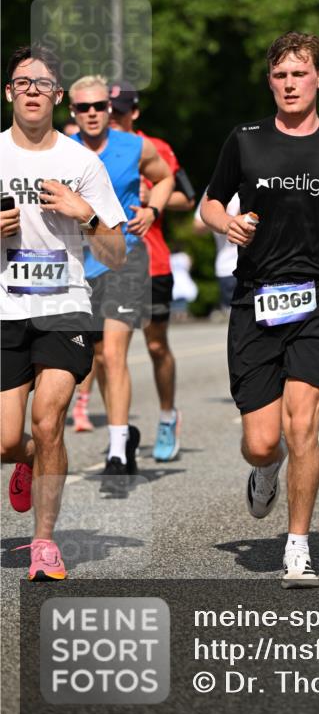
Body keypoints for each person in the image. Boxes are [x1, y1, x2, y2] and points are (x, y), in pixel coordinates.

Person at [201, 31, 319, 587]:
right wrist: (223, 221)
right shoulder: (246, 140)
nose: (289, 84)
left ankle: (298, 545)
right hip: (257, 299)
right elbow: (210, 201)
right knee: (261, 442)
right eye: (280, 75)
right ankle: (265, 471)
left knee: (302, 423)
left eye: (299, 74)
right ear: (270, 81)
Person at [1, 45, 125, 580]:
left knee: (48, 418)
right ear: (9, 92)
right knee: (9, 440)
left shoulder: (80, 162)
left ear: (57, 95)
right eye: (22, 81)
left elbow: (117, 252)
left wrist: (88, 214)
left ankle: (45, 544)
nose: (32, 90)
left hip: (66, 307)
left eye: (42, 83)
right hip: (6, 309)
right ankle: (29, 459)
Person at [69, 76, 174, 488]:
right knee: (96, 358)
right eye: (84, 108)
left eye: (99, 106)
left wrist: (153, 210)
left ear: (110, 109)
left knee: (114, 354)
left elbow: (164, 177)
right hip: (81, 267)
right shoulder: (63, 148)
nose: (93, 113)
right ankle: (124, 436)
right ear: (72, 112)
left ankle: (115, 452)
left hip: (126, 260)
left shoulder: (135, 146)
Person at [106, 81, 196, 461]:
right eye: (108, 110)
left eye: (120, 111)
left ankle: (165, 417)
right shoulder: (90, 150)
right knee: (106, 354)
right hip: (107, 263)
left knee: (156, 345)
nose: (112, 116)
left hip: (153, 259)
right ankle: (119, 434)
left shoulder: (153, 148)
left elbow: (187, 197)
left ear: (135, 112)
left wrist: (149, 197)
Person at [193, 191, 240, 319]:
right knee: (236, 321)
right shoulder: (217, 186)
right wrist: (220, 218)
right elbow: (197, 226)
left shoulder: (259, 179)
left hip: (259, 264)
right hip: (228, 268)